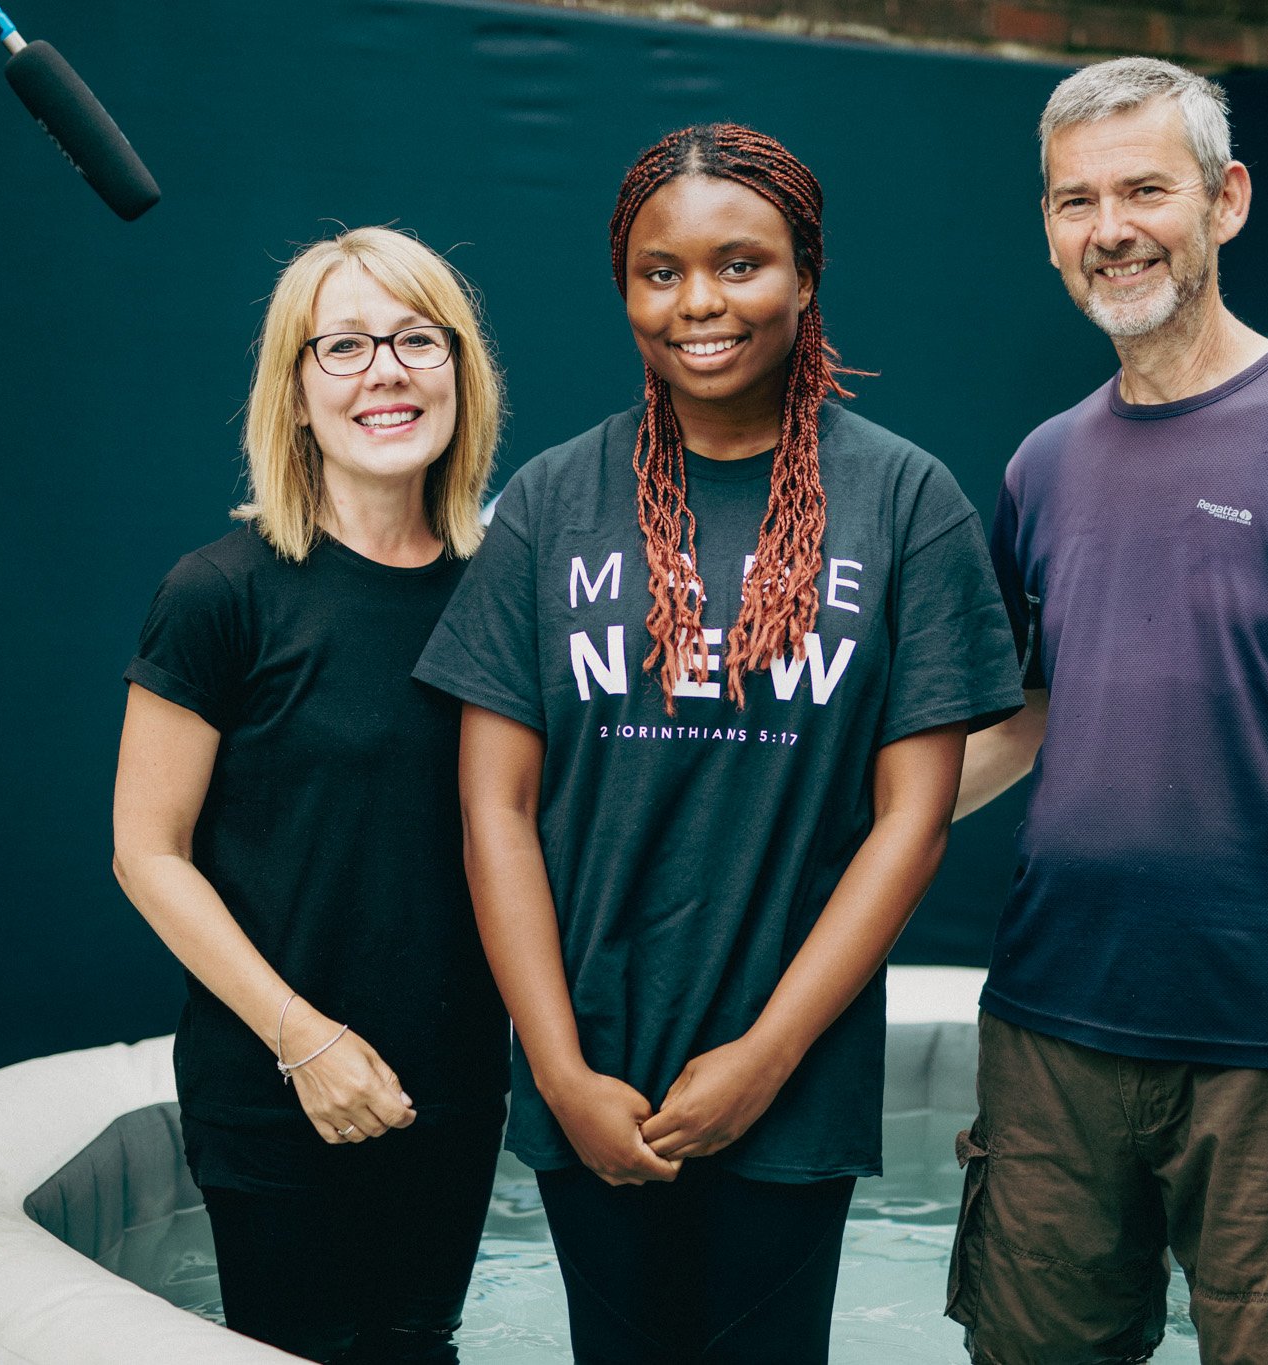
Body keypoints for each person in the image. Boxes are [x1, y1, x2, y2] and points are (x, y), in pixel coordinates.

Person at [413, 123, 1024, 1364]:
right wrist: (559, 1069)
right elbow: (494, 808)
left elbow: (911, 816)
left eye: (739, 265)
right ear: (625, 286)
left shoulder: (905, 502)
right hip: (591, 1067)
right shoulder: (549, 500)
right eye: (659, 271)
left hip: (790, 1082)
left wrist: (765, 1056)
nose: (698, 302)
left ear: (804, 276)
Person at [948, 59, 1268, 1365]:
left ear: (1225, 199)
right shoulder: (1044, 462)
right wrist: (818, 806)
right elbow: (1027, 718)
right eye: (1076, 200)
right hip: (1050, 1032)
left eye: (1144, 189)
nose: (1110, 228)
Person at [111, 226, 509, 1364]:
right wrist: (304, 1042)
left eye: (414, 339)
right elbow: (147, 851)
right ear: (293, 393)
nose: (384, 370)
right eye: (341, 346)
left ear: (458, 373)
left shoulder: (509, 597)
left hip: (451, 1090)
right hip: (274, 1087)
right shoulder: (218, 596)